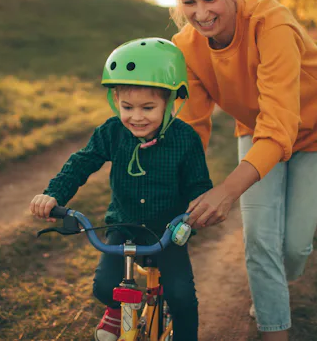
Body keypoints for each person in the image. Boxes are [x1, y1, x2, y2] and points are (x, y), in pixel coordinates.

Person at [169, 0, 317, 341]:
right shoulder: (185, 47)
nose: (200, 14)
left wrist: (227, 191)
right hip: (258, 127)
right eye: (189, 3)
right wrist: (175, 179)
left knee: (293, 248)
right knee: (261, 239)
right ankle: (274, 322)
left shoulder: (271, 22)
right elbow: (193, 128)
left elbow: (281, 126)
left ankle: (275, 286)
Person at [29, 38, 212, 341]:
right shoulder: (113, 131)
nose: (136, 117)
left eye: (148, 107)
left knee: (181, 297)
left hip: (167, 232)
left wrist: (197, 208)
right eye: (127, 107)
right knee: (105, 287)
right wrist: (54, 194)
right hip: (123, 226)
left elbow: (199, 184)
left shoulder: (185, 139)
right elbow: (82, 162)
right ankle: (116, 310)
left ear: (171, 102)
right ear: (115, 102)